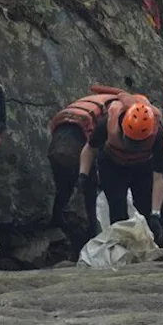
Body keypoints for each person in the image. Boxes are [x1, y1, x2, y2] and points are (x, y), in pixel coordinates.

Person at [78, 93, 163, 245]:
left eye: (138, 143)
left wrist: (155, 214)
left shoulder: (157, 134)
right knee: (117, 205)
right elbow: (90, 149)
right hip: (112, 163)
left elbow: (159, 178)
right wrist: (83, 175)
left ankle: (157, 243)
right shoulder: (108, 123)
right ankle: (120, 246)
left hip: (142, 165)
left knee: (146, 208)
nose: (133, 147)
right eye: (131, 142)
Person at [47, 87, 125, 237]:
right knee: (88, 190)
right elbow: (98, 145)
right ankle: (89, 236)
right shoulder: (116, 109)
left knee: (64, 188)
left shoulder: (94, 101)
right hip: (77, 142)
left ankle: (60, 225)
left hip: (57, 143)